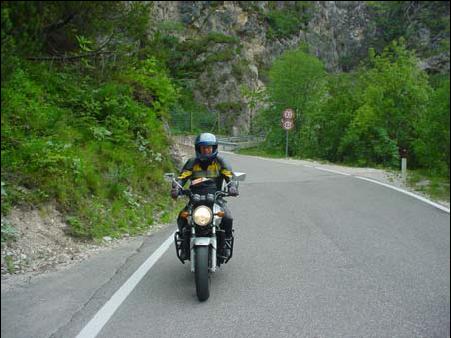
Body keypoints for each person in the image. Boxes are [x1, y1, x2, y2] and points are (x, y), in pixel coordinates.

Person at [171, 132, 238, 260]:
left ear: (214, 148)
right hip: (194, 198)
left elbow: (230, 176)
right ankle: (185, 247)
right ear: (198, 149)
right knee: (182, 217)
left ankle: (226, 244)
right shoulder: (192, 162)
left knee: (227, 218)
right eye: (203, 148)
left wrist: (232, 187)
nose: (207, 150)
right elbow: (182, 177)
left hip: (216, 198)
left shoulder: (220, 162)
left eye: (209, 147)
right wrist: (176, 188)